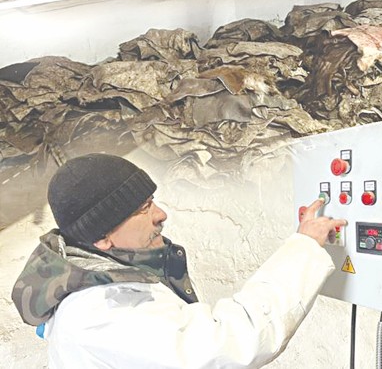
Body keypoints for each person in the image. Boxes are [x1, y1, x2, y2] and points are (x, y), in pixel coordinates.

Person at [12, 153, 347, 369]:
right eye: (143, 209)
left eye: (152, 200)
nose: (161, 214)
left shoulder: (103, 283)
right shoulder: (101, 313)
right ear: (102, 237)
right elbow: (229, 342)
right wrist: (304, 247)